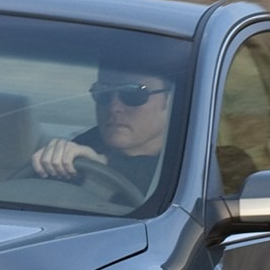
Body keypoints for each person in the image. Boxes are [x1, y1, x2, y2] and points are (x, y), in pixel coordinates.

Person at [30, 70, 175, 192]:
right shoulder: (81, 148)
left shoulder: (192, 165)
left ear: (169, 100)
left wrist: (103, 165)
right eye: (103, 92)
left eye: (133, 94)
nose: (114, 107)